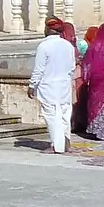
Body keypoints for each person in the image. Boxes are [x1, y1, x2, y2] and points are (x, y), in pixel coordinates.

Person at [28, 23, 77, 154]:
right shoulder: (68, 45)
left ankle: (56, 146)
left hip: (49, 86)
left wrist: (32, 85)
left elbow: (39, 69)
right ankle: (66, 143)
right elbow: (72, 68)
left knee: (52, 116)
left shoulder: (44, 46)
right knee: (65, 114)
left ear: (49, 29)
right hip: (64, 86)